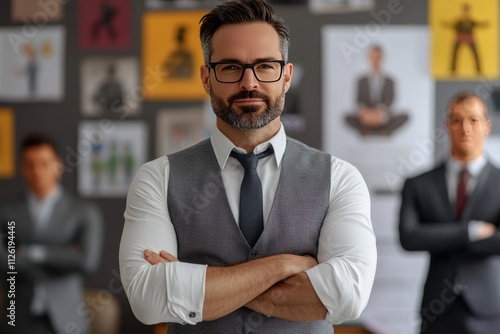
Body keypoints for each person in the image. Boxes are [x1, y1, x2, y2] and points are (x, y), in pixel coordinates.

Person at [119, 1, 376, 333]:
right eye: (230, 67)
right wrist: (286, 266)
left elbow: (348, 297)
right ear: (206, 78)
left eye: (265, 66)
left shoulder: (339, 178)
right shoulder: (158, 178)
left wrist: (194, 283)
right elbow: (148, 299)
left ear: (286, 76)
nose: (249, 82)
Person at [399, 91, 500, 334]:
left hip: (490, 308)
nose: (465, 128)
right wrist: (470, 231)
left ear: (487, 126)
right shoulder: (418, 184)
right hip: (436, 308)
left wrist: (439, 238)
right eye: (457, 120)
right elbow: (409, 237)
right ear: (447, 125)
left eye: (473, 120)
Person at [0, 133, 104, 334]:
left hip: (67, 319)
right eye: (30, 164)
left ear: (58, 165)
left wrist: (31, 252)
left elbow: (86, 261)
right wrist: (64, 256)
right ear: (22, 168)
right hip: (16, 317)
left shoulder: (83, 212)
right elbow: (2, 263)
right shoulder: (5, 213)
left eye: (44, 163)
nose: (37, 171)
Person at [345, 45, 408, 136]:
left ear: (382, 59)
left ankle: (384, 131)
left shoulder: (389, 81)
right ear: (369, 58)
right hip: (366, 117)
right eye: (373, 58)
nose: (375, 61)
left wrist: (380, 112)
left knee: (404, 116)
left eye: (377, 57)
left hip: (383, 117)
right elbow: (359, 101)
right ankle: (366, 131)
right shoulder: (361, 80)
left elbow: (390, 100)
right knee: (347, 117)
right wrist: (366, 113)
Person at [441, 3, 489, 75]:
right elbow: (451, 24)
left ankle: (478, 70)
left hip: (469, 39)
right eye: (464, 10)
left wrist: (484, 24)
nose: (466, 12)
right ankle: (453, 70)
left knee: (475, 54)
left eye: (467, 10)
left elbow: (478, 24)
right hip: (460, 38)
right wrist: (445, 24)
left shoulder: (471, 21)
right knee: (454, 54)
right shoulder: (459, 21)